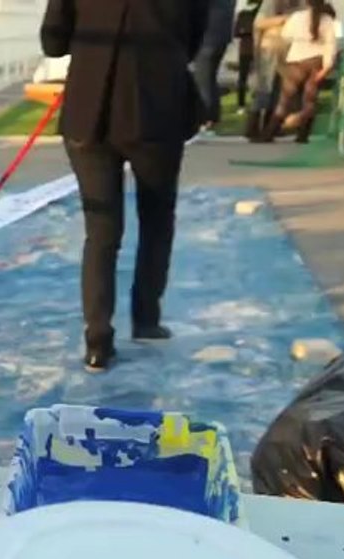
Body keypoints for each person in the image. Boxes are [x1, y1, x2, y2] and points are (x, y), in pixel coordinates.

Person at [39, 0, 209, 372]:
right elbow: (194, 38)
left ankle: (98, 339)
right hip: (157, 105)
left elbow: (53, 42)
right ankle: (146, 319)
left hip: (90, 109)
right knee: (157, 219)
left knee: (101, 232)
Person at [260, 0, 340, 143]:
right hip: (316, 62)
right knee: (309, 100)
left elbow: (286, 35)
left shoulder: (297, 17)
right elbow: (331, 45)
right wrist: (326, 68)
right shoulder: (327, 21)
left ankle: (269, 132)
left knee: (284, 100)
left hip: (296, 61)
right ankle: (303, 134)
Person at [247, 0, 306, 140]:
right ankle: (254, 126)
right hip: (270, 48)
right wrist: (285, 19)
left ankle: (272, 126)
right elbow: (259, 23)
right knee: (265, 87)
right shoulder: (271, 3)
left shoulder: (302, 4)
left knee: (281, 91)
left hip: (289, 51)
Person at [193, 0, 238, 131]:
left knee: (203, 80)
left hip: (208, 39)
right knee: (210, 78)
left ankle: (205, 118)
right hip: (220, 39)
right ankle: (213, 116)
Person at [233, 0, 265, 111]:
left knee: (261, 78)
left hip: (258, 48)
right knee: (244, 77)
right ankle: (241, 104)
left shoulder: (259, 14)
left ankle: (257, 102)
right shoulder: (244, 14)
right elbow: (237, 32)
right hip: (248, 49)